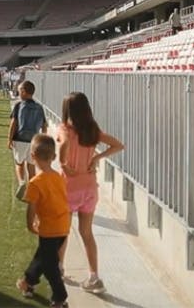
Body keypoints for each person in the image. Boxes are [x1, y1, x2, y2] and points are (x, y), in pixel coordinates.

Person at [57, 92, 124, 294]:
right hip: (89, 189)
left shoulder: (65, 129)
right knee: (87, 234)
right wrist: (97, 158)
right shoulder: (93, 131)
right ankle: (94, 277)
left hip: (68, 187)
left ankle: (59, 269)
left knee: (63, 232)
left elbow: (63, 143)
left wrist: (62, 162)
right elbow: (119, 145)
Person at [16, 134, 70, 308]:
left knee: (49, 265)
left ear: (32, 157)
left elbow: (31, 207)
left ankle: (60, 296)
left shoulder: (35, 183)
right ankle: (28, 281)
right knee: (42, 257)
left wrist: (29, 224)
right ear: (54, 157)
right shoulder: (58, 177)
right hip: (63, 227)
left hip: (49, 229)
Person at [8, 81, 48, 200]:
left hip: (20, 139)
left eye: (20, 90)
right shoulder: (39, 107)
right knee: (31, 166)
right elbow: (44, 126)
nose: (19, 92)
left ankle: (21, 182)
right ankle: (32, 191)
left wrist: (9, 139)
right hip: (34, 140)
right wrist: (42, 140)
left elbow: (13, 123)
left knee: (19, 163)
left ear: (24, 92)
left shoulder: (19, 105)